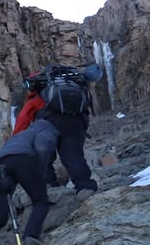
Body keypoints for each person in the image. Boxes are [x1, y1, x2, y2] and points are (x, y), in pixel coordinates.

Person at [36, 62, 103, 199]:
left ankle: (49, 188)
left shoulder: (46, 86)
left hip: (50, 122)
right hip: (75, 121)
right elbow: (86, 107)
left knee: (44, 156)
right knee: (73, 157)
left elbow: (28, 112)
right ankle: (85, 187)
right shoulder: (78, 82)